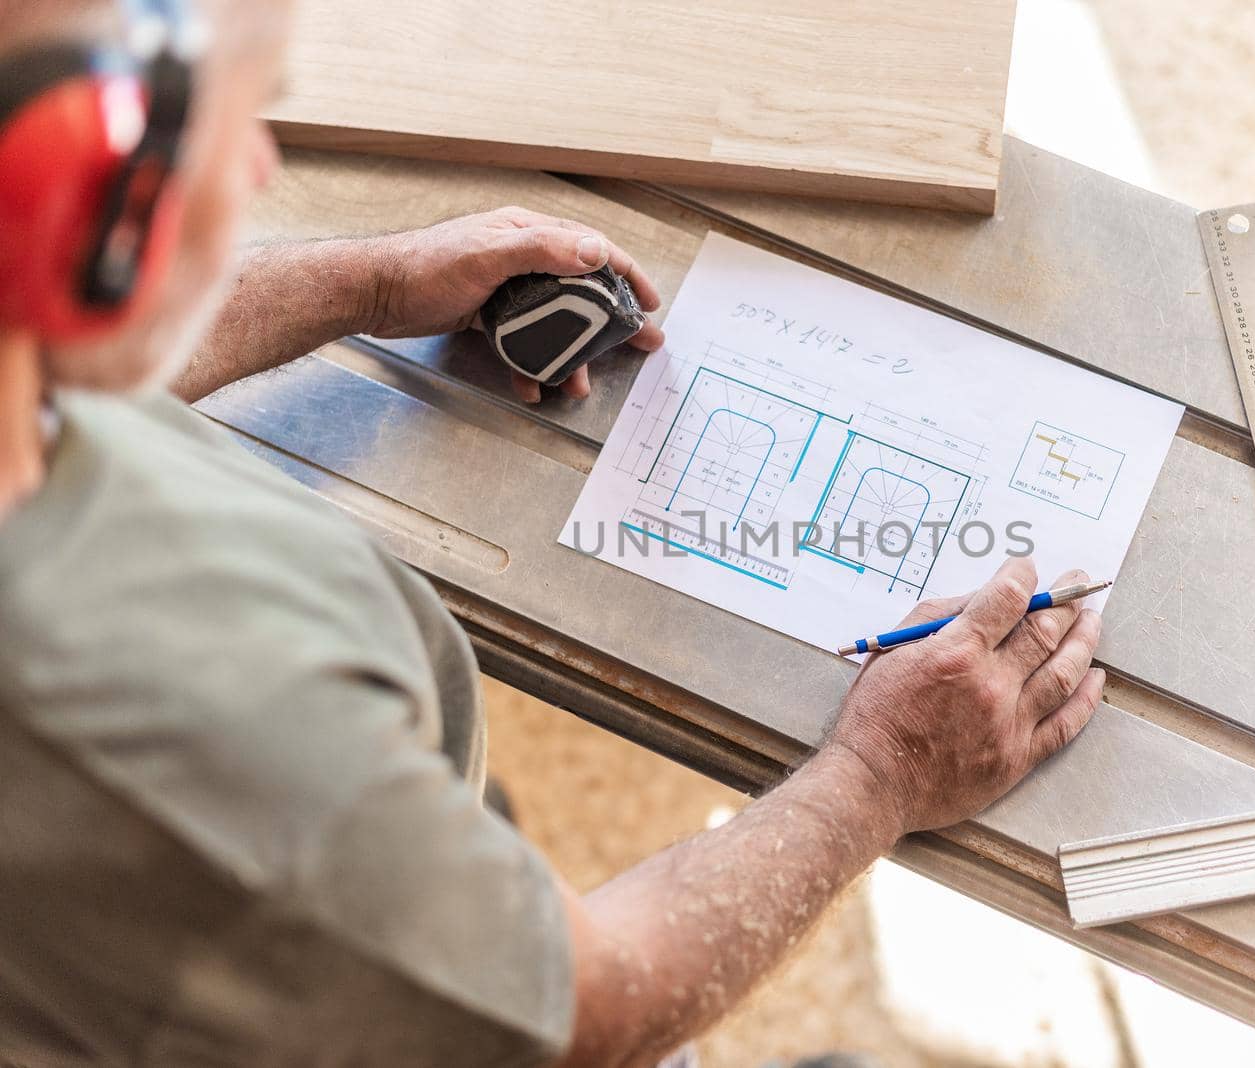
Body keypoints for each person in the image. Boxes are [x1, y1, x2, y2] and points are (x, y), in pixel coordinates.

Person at [0, 1, 1107, 1065]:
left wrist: (370, 282)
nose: (254, 169)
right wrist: (881, 773)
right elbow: (583, 1019)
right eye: (206, 126)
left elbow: (62, 369)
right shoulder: (211, 729)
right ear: (60, 213)